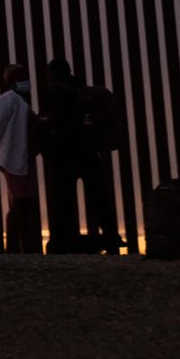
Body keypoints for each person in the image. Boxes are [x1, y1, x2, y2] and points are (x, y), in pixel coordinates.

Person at [42, 57, 121, 254]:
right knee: (98, 197)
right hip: (88, 151)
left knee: (64, 200)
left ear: (52, 74)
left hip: (65, 154)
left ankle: (63, 242)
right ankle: (111, 237)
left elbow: (51, 121)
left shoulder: (54, 92)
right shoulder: (82, 89)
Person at [0, 63, 39, 254]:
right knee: (20, 203)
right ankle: (14, 247)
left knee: (25, 203)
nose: (25, 82)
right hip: (12, 158)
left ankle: (24, 246)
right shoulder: (9, 100)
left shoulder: (20, 101)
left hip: (21, 158)